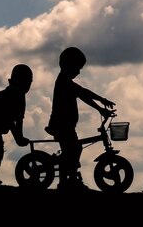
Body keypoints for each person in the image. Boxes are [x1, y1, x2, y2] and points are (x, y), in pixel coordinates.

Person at [45, 46, 116, 190]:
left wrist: (101, 103)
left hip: (67, 126)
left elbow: (83, 93)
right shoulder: (63, 82)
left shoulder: (65, 81)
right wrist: (101, 105)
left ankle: (69, 179)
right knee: (72, 150)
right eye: (77, 68)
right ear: (67, 65)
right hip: (61, 126)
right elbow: (83, 93)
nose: (78, 72)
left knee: (74, 149)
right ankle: (67, 182)